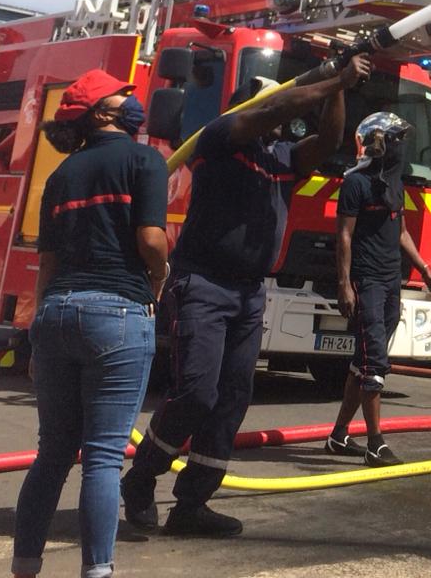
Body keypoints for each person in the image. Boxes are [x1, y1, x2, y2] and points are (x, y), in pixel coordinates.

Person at [123, 55, 372, 536]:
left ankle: (192, 505)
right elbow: (266, 114)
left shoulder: (280, 159)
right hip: (204, 283)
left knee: (232, 399)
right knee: (197, 392)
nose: (279, 117)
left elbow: (329, 141)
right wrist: (328, 80)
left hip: (248, 292)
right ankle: (141, 478)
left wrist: (338, 83)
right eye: (270, 104)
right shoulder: (219, 140)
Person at [12, 69, 170, 578]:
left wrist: (37, 335)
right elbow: (150, 240)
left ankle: (24, 566)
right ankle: (96, 572)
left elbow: (49, 263)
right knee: (102, 459)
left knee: (53, 454)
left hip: (56, 314)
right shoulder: (145, 160)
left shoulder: (62, 175)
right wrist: (161, 272)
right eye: (124, 94)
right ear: (103, 112)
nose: (134, 99)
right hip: (117, 314)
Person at [326, 111, 431, 467]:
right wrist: (344, 284)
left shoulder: (394, 183)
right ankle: (375, 443)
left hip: (392, 280)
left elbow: (402, 231)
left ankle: (338, 435)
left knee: (362, 362)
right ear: (379, 143)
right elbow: (344, 235)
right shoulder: (356, 184)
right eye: (396, 140)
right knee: (375, 360)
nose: (401, 148)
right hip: (367, 282)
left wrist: (424, 269)